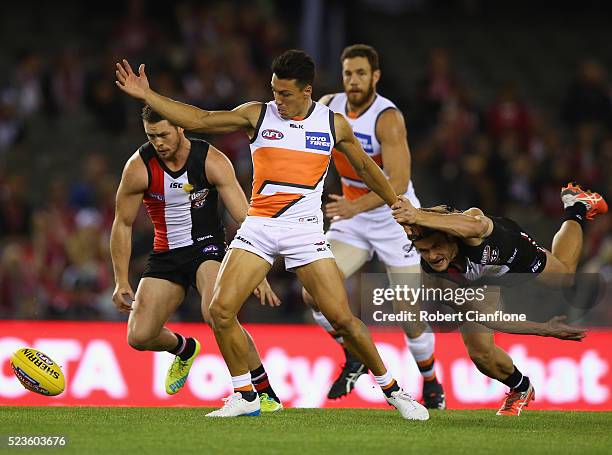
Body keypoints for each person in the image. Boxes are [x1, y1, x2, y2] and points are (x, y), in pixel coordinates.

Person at [115, 50, 430, 420]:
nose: (277, 100)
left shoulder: (333, 124)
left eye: (285, 94)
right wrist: (149, 97)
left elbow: (365, 166)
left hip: (305, 232)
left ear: (307, 91)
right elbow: (199, 119)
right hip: (259, 228)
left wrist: (397, 203)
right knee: (219, 311)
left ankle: (394, 391)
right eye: (274, 91)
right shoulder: (258, 114)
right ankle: (245, 394)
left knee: (343, 319)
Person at [110, 105, 283, 412]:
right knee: (139, 336)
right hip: (166, 254)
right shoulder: (139, 166)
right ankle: (185, 348)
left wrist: (258, 269)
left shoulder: (211, 160)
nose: (158, 143)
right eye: (152, 137)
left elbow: (245, 218)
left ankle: (263, 392)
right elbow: (122, 224)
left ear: (181, 128)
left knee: (217, 313)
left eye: (163, 134)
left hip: (208, 249)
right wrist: (121, 280)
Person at [300, 44, 444, 408]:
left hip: (397, 219)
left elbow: (397, 181)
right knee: (313, 292)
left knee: (408, 314)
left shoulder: (387, 118)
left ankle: (430, 381)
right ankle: (354, 353)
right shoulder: (328, 107)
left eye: (361, 73)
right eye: (348, 73)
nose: (354, 80)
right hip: (354, 218)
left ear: (375, 76)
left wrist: (354, 206)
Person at [390, 182, 607, 415]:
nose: (432, 256)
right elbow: (491, 319)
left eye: (436, 246)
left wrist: (417, 215)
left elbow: (474, 224)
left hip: (515, 259)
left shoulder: (470, 227)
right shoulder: (435, 276)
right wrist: (543, 329)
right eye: (423, 250)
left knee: (564, 276)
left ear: (452, 238)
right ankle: (521, 388)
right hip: (480, 284)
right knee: (481, 355)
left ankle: (576, 205)